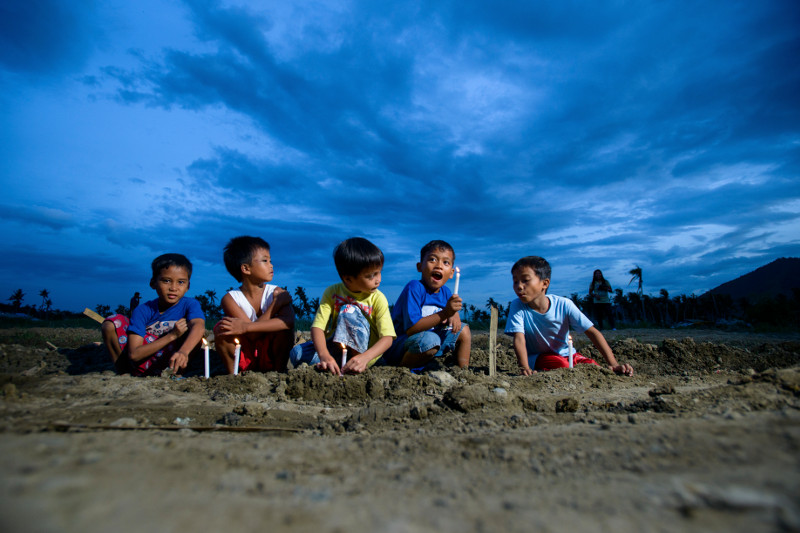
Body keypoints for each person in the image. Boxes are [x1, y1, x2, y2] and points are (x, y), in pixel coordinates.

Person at [505, 256, 633, 376]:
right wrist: (524, 367)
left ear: (545, 283)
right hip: (540, 357)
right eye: (515, 282)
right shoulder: (518, 306)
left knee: (594, 367)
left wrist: (613, 364)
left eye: (525, 280)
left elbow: (592, 332)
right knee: (562, 365)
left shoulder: (563, 304)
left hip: (569, 355)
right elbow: (519, 338)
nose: (519, 287)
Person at [290, 237, 395, 375]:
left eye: (379, 272)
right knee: (297, 353)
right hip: (335, 349)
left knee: (348, 310)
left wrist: (365, 358)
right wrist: (324, 355)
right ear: (348, 279)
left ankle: (353, 364)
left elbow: (387, 338)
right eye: (371, 276)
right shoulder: (332, 292)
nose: (378, 280)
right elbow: (317, 327)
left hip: (364, 355)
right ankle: (332, 364)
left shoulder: (377, 298)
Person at [101, 253, 206, 376]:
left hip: (173, 362)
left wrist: (183, 352)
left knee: (194, 332)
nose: (173, 288)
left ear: (188, 286)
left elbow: (199, 325)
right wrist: (172, 335)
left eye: (181, 282)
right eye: (166, 281)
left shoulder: (189, 304)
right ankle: (123, 372)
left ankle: (178, 373)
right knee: (111, 322)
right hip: (141, 363)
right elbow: (134, 354)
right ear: (153, 283)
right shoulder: (143, 310)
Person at [383, 240, 471, 369]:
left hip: (428, 343)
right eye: (432, 260)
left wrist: (454, 314)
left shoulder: (446, 292)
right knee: (430, 339)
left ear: (451, 273)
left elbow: (450, 316)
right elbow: (412, 329)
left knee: (464, 330)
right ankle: (401, 371)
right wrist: (446, 313)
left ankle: (463, 371)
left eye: (445, 262)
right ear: (420, 266)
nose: (439, 266)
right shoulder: (414, 288)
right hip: (402, 345)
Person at [213, 236, 295, 374]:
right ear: (246, 268)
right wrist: (275, 305)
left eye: (270, 260)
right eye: (265, 261)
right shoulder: (231, 299)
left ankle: (279, 371)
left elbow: (288, 322)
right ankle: (233, 374)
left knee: (282, 330)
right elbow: (252, 336)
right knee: (221, 329)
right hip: (245, 353)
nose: (271, 265)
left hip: (270, 354)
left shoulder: (276, 292)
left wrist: (245, 327)